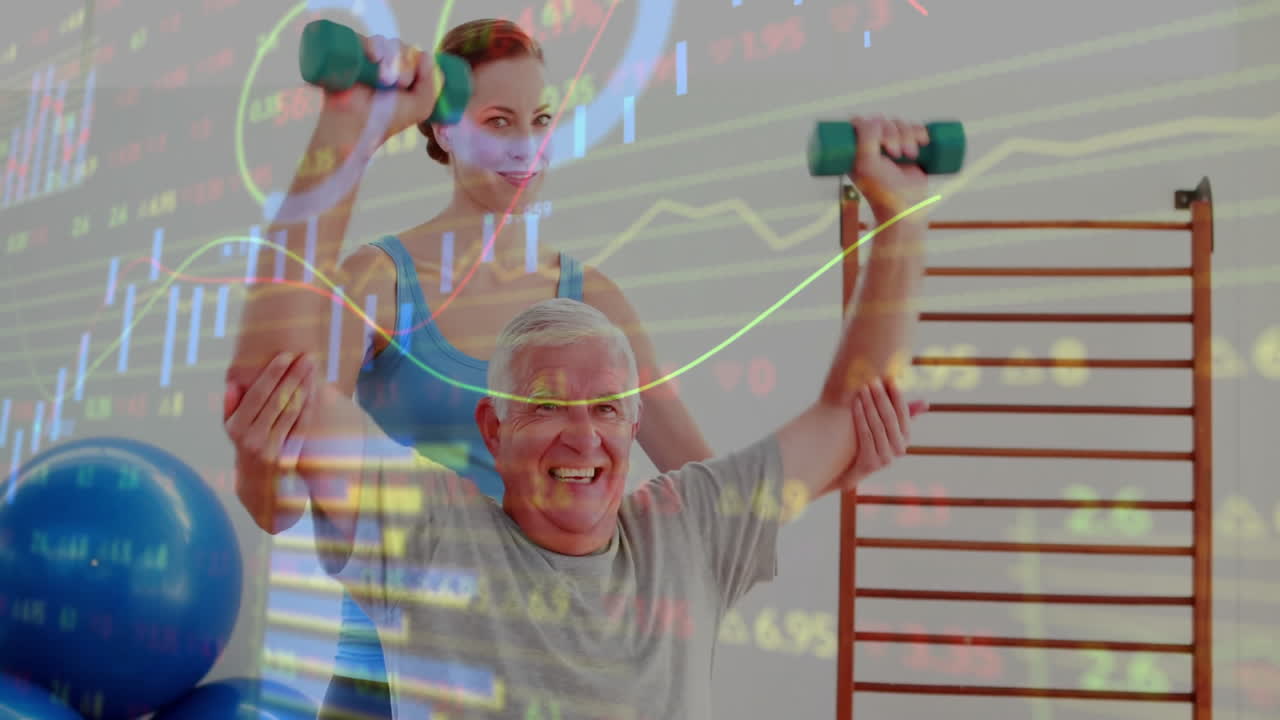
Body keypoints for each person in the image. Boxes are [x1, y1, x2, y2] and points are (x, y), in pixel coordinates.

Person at [226, 112, 935, 719]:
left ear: (633, 422)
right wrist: (348, 123)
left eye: (606, 407)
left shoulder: (688, 531)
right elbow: (288, 377)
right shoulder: (428, 533)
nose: (583, 433)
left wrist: (899, 220)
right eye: (546, 405)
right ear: (492, 431)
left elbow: (848, 411)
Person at [222, 19, 714, 719]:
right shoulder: (380, 284)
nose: (526, 146)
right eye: (498, 120)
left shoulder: (591, 302)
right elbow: (276, 505)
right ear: (443, 131)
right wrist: (256, 462)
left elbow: (707, 500)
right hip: (386, 683)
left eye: (539, 120)